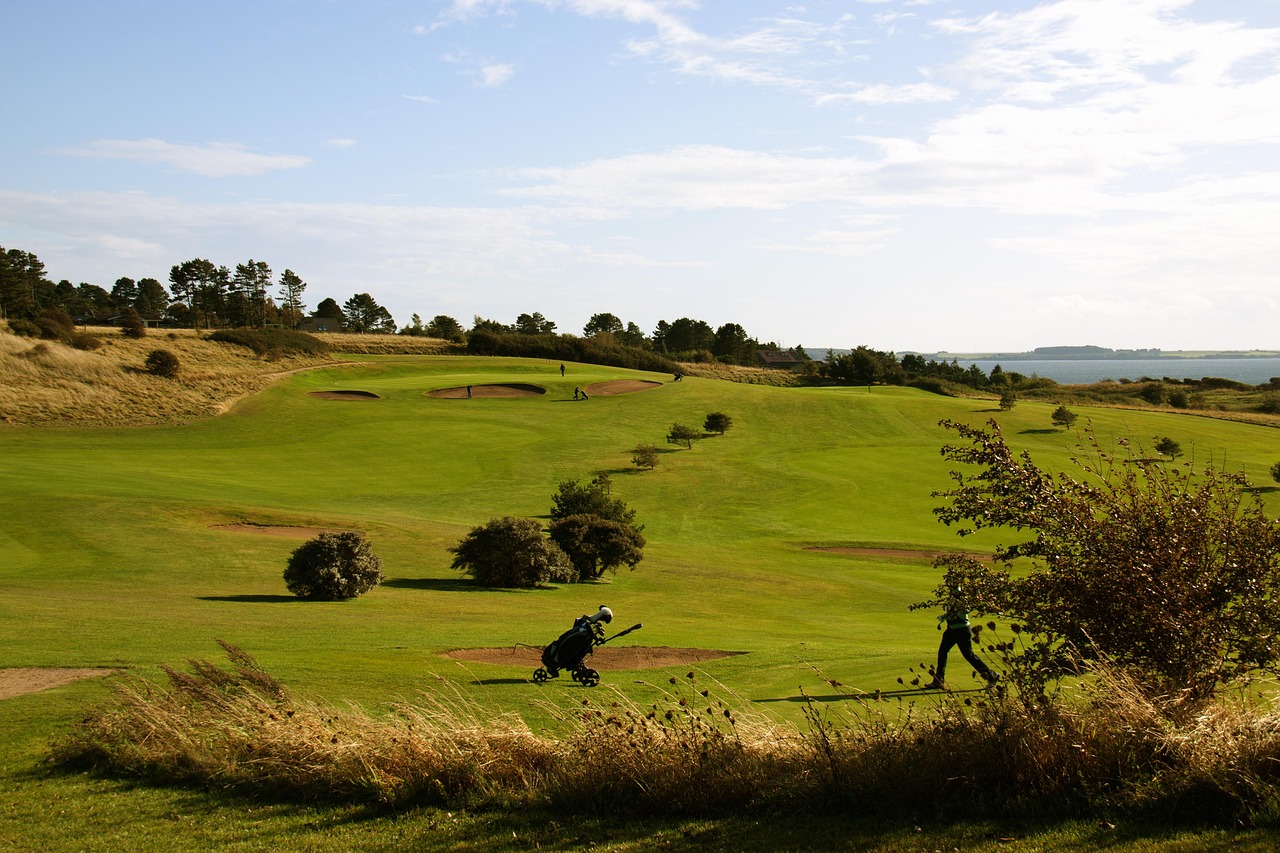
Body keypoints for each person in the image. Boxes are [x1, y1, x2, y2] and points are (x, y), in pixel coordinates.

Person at [926, 598, 998, 690]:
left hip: (962, 631)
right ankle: (938, 680)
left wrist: (948, 616)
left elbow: (963, 613)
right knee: (942, 652)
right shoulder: (952, 599)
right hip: (952, 630)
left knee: (968, 655)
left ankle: (992, 675)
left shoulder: (961, 599)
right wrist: (945, 617)